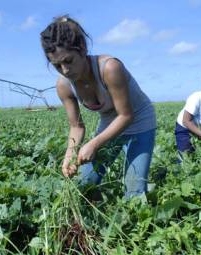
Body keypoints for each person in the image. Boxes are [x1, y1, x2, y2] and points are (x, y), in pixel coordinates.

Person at [40, 16, 157, 199]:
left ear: (83, 49)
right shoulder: (64, 86)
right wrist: (69, 156)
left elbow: (126, 115)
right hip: (110, 123)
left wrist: (94, 143)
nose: (65, 70)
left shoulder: (109, 68)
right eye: (57, 65)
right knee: (84, 184)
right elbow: (76, 126)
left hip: (139, 121)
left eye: (68, 61)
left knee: (133, 194)